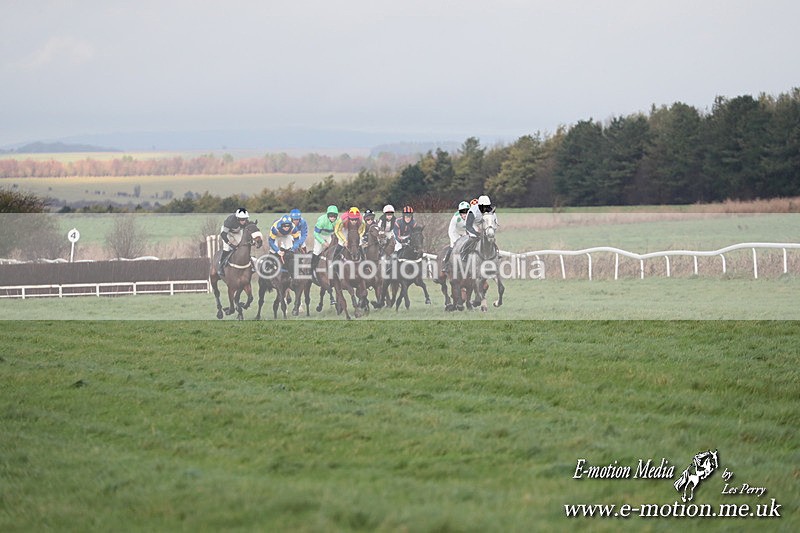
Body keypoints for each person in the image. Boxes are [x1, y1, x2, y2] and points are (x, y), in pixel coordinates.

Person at [310, 205, 339, 282]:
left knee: (336, 249)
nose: (332, 218)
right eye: (331, 216)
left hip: (329, 235)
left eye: (334, 216)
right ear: (327, 215)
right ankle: (312, 268)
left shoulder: (338, 221)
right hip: (320, 235)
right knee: (317, 251)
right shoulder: (322, 221)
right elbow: (315, 234)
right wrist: (323, 242)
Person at [218, 207, 249, 275]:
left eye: (245, 219)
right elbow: (223, 235)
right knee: (227, 249)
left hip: (237, 231)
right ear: (237, 218)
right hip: (227, 232)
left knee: (241, 246)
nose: (244, 221)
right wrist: (231, 244)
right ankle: (221, 267)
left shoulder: (246, 222)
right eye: (242, 219)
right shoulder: (230, 221)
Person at [443, 201, 470, 272]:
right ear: (459, 212)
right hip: (455, 233)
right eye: (463, 212)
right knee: (452, 248)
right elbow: (451, 231)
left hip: (465, 233)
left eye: (467, 211)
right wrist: (456, 241)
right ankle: (445, 264)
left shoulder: (471, 216)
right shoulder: (455, 217)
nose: (465, 214)